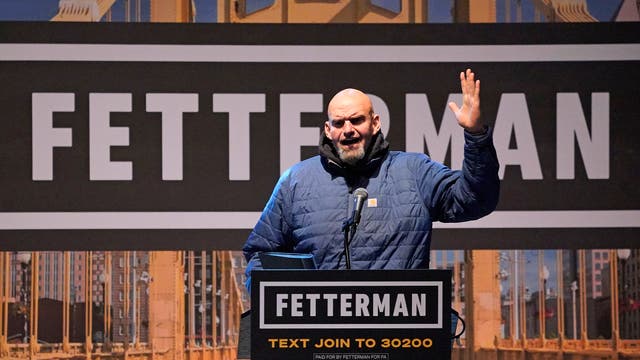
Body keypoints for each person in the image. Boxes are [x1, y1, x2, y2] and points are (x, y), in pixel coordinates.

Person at [243, 69, 499, 288]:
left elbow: (476, 199)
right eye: (339, 123)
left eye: (357, 120)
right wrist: (282, 308)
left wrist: (476, 134)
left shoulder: (414, 171)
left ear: (375, 123)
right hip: (316, 341)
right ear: (328, 129)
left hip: (399, 339)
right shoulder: (295, 181)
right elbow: (259, 256)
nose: (348, 130)